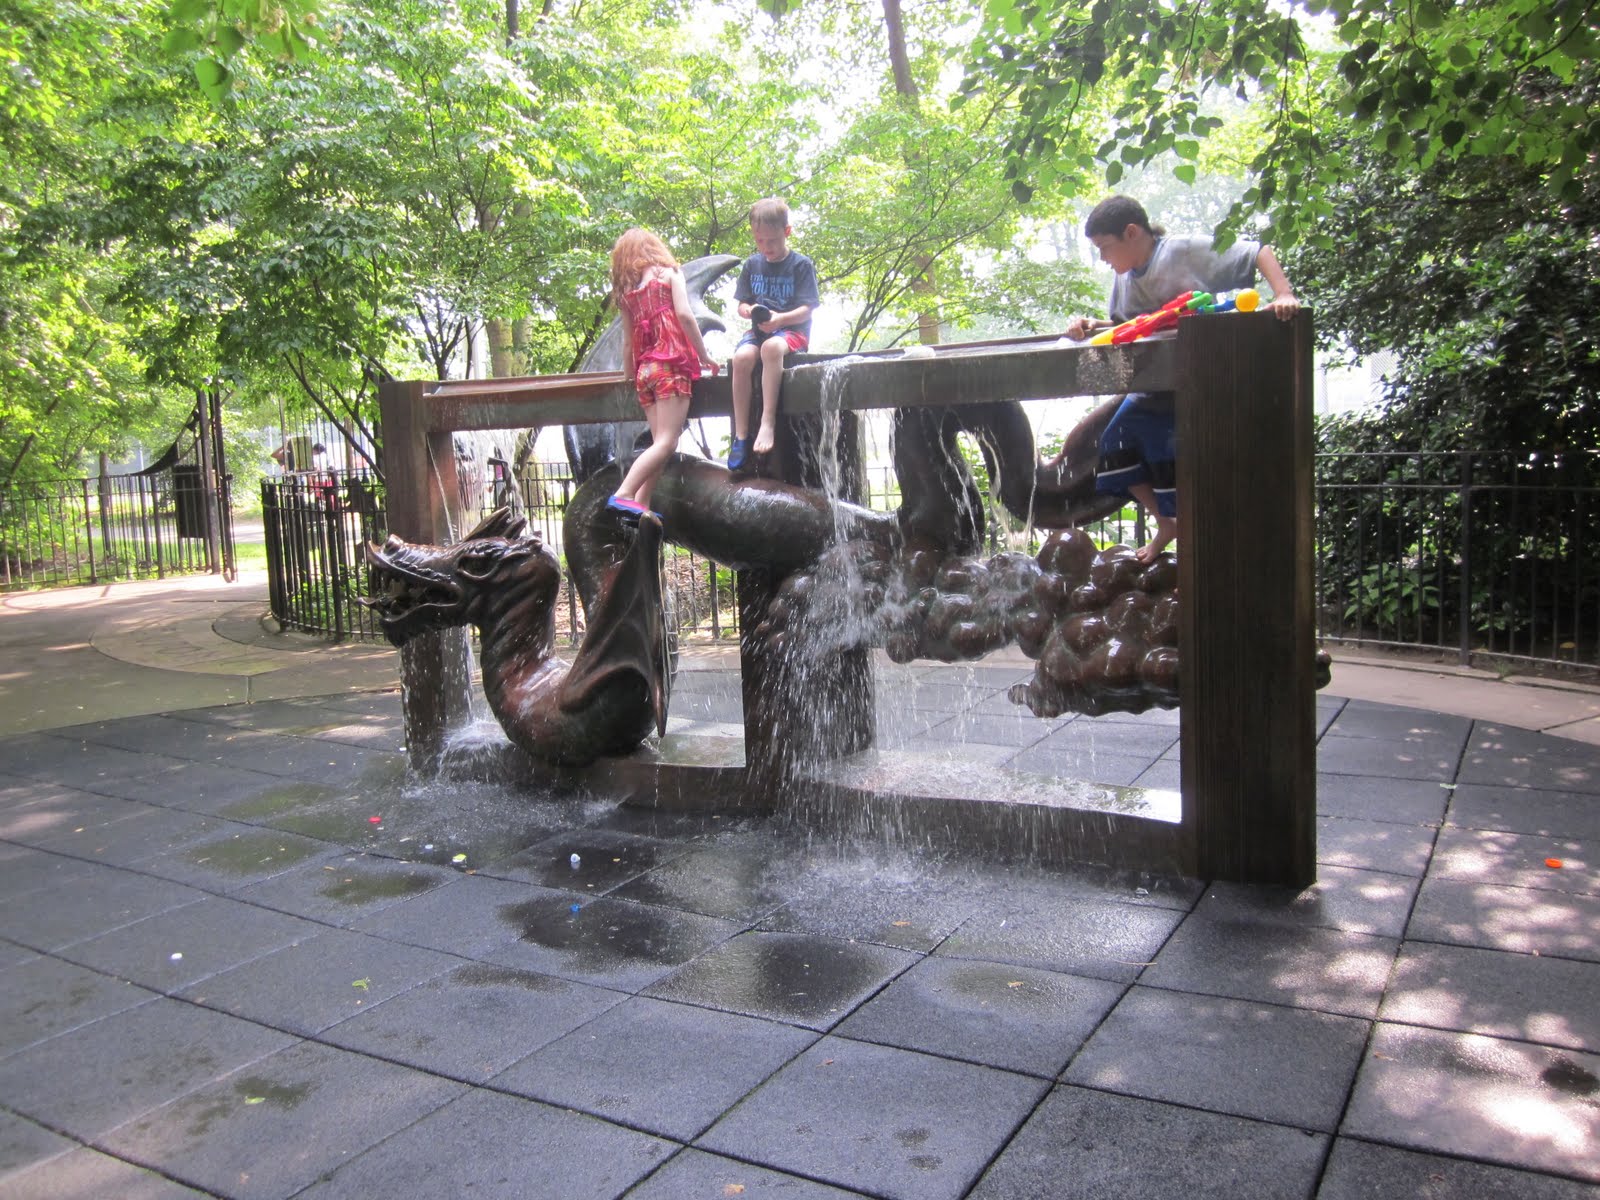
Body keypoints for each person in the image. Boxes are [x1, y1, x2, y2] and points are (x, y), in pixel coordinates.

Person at [1064, 194, 1301, 563]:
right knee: (1114, 443)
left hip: (1201, 384)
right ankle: (1166, 524)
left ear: (1131, 232)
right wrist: (1093, 325)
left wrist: (1284, 294)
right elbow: (1133, 324)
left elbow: (1258, 252)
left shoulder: (1182, 251)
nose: (1104, 258)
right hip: (1151, 388)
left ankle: (1206, 549)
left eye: (1105, 247)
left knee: (1187, 459)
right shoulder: (1124, 279)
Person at [605, 227, 717, 523]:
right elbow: (684, 315)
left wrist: (630, 375)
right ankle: (625, 494)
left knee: (659, 444)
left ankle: (639, 504)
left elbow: (628, 342)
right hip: (669, 365)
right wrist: (704, 356)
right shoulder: (669, 274)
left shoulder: (628, 295)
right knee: (667, 442)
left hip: (646, 373)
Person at [726, 197, 821, 470]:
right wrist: (748, 311)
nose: (766, 247)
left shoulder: (801, 265)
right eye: (760, 241)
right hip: (759, 333)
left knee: (770, 349)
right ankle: (741, 435)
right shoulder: (752, 265)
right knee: (741, 358)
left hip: (792, 333)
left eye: (772, 241)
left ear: (786, 232)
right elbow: (742, 304)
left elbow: (808, 309)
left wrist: (780, 318)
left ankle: (767, 422)